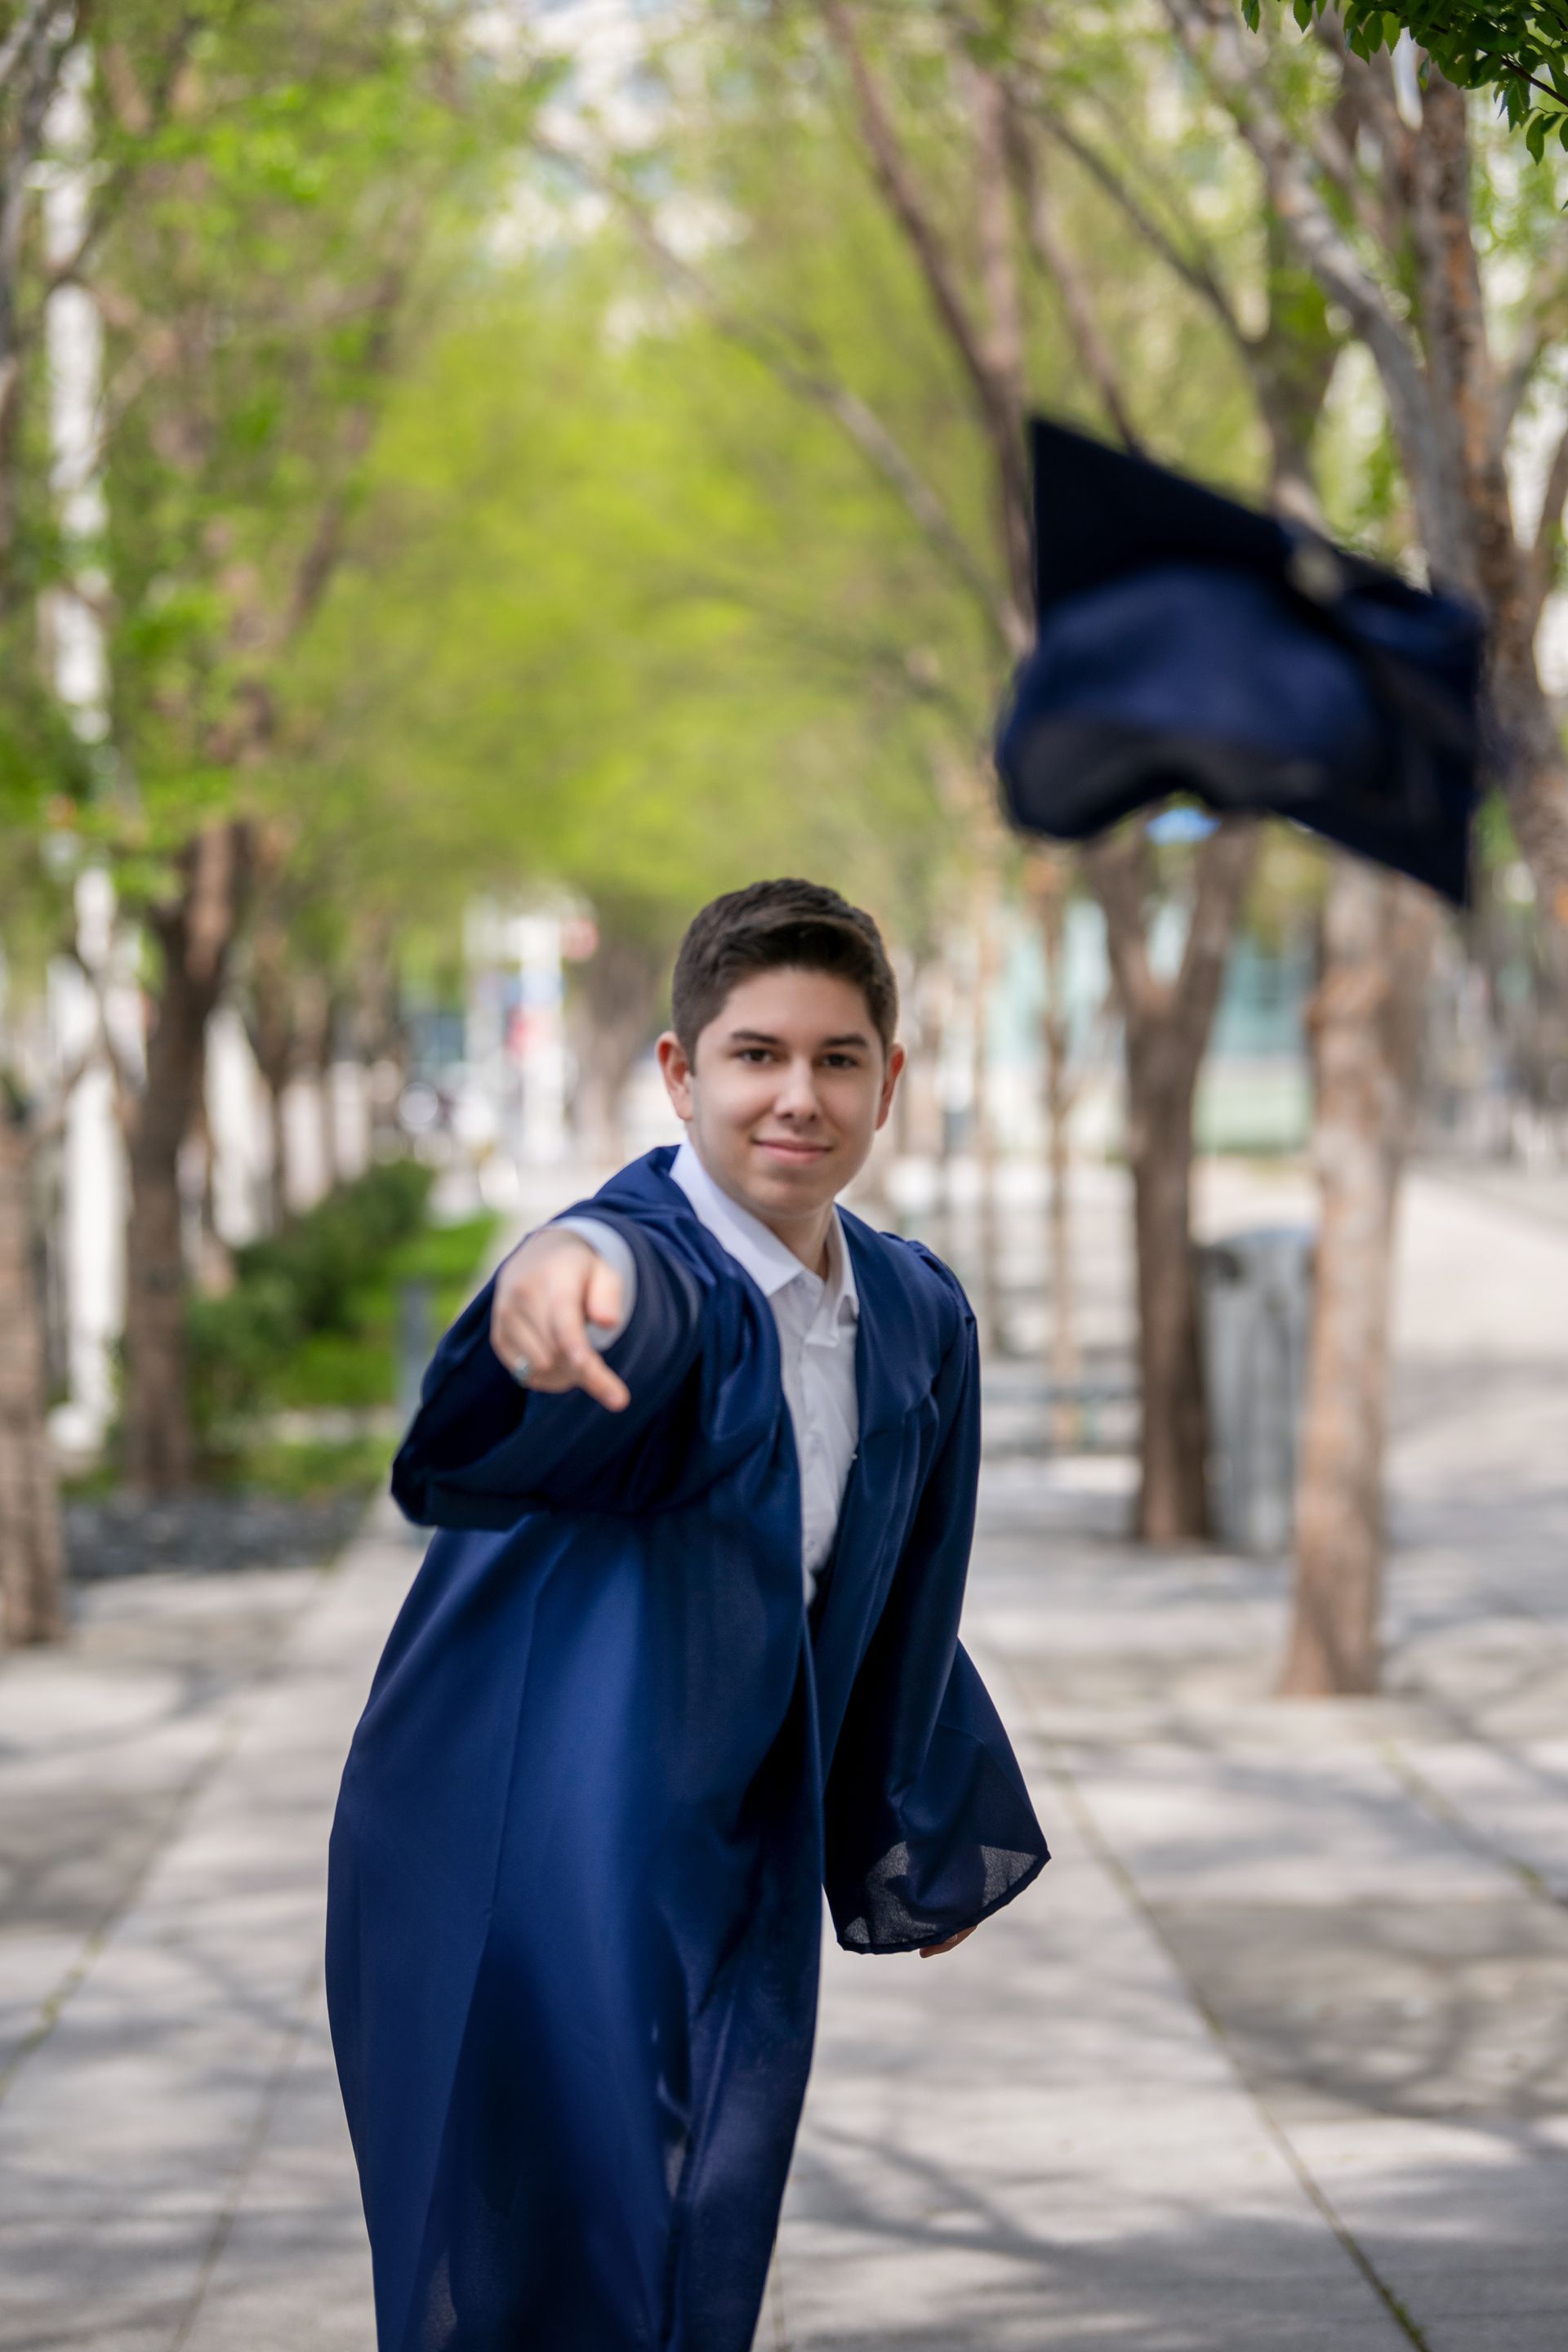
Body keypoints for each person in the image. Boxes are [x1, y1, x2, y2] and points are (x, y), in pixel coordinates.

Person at [326, 878, 1048, 2352]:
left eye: (838, 1058)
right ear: (680, 1073)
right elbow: (608, 1275)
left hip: (735, 1832)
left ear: (891, 1081)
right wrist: (551, 1276)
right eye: (757, 1055)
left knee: (702, 2229)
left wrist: (911, 1820)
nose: (798, 1097)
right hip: (518, 1836)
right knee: (540, 2247)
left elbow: (896, 1589)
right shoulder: (655, 1264)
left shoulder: (913, 1313)